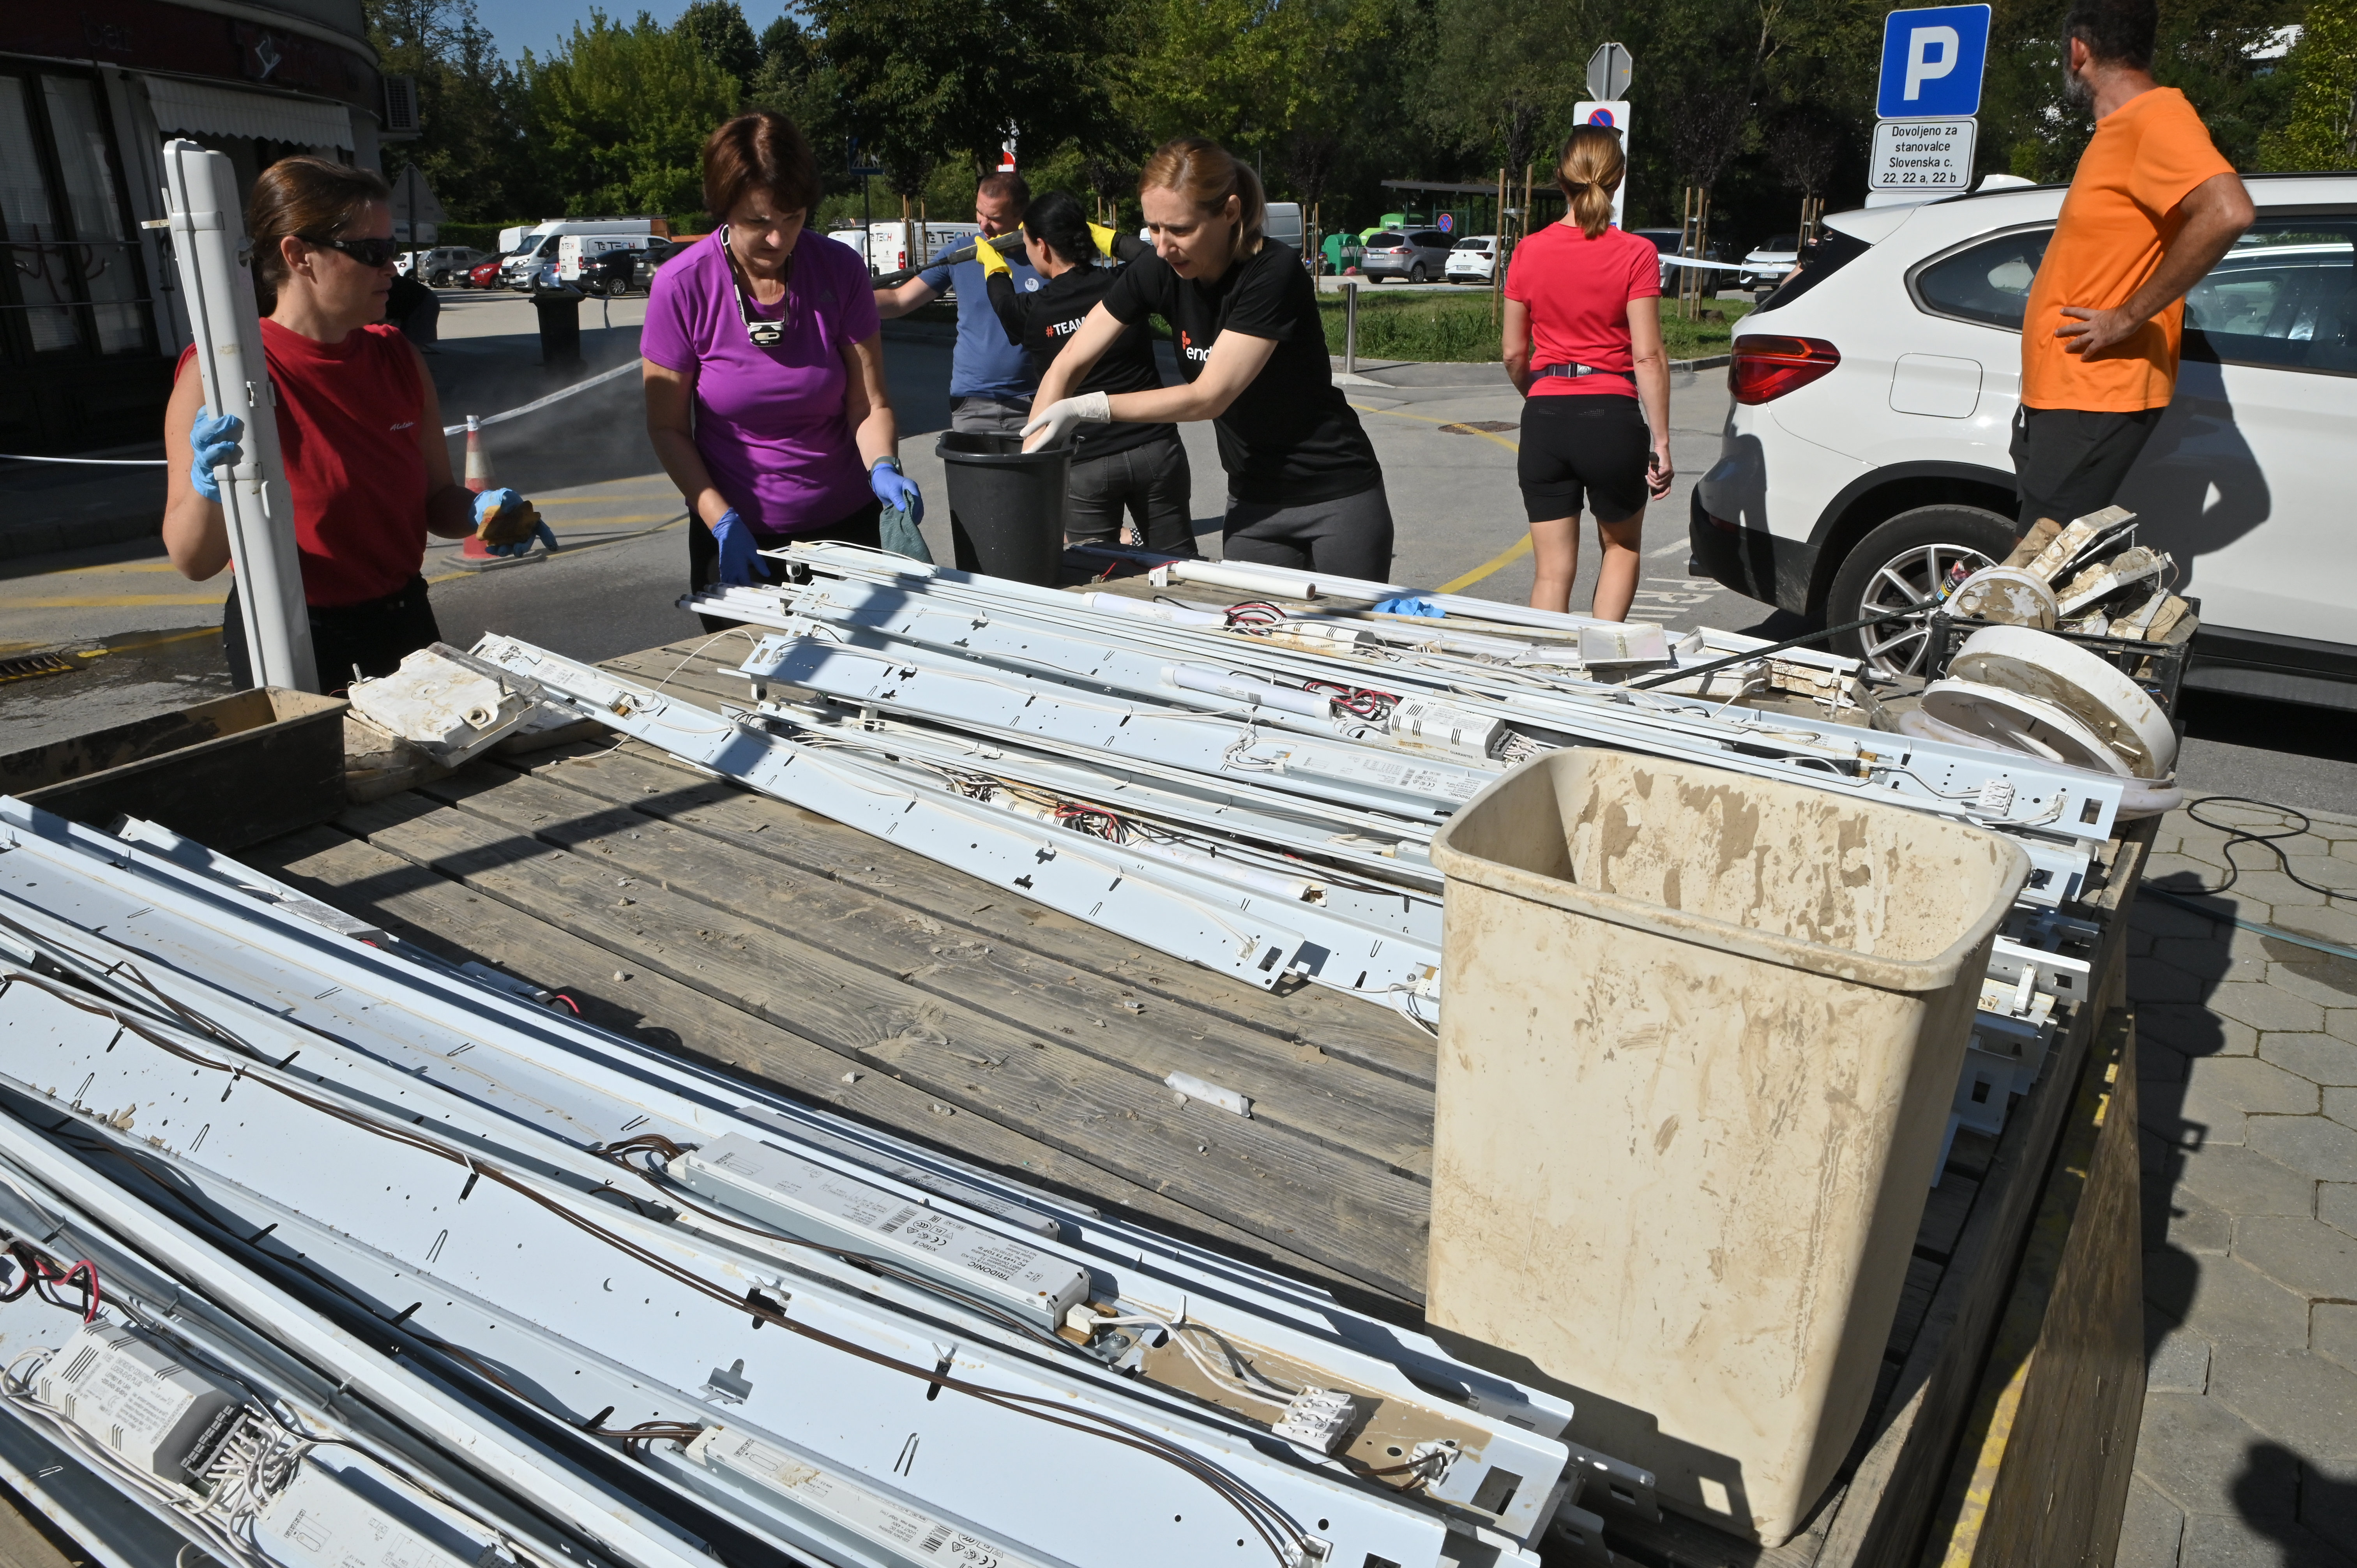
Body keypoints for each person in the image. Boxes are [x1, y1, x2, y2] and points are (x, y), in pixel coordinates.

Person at [161, 157, 519, 692]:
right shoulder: (225, 369)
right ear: (299, 255)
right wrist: (209, 489)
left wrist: (481, 513)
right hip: (292, 632)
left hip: (403, 620)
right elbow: (193, 559)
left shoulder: (396, 353)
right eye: (372, 252)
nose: (392, 269)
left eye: (392, 251)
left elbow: (436, 499)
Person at [1026, 139, 1391, 579]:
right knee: (1253, 640)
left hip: (1335, 496)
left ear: (1230, 212)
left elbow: (1209, 397)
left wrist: (1089, 407)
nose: (1163, 247)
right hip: (1253, 501)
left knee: (1346, 646)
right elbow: (1067, 363)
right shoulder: (1160, 268)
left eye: (1179, 230)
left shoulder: (1273, 271)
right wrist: (1029, 468)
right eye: (1153, 228)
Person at [643, 110, 918, 622]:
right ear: (721, 208)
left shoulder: (839, 271)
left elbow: (869, 402)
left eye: (793, 218)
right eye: (758, 222)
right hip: (737, 537)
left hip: (846, 533)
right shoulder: (682, 287)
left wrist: (882, 465)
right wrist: (718, 518)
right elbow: (667, 427)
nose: (779, 240)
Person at [2014, 0, 2253, 532]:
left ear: (2079, 50)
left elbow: (2228, 210)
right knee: (2055, 567)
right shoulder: (2120, 132)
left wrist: (2125, 317)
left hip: (2093, 394)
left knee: (2040, 573)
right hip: (2067, 392)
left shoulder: (2155, 119)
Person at [1499, 125, 1673, 621]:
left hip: (1546, 417)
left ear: (1560, 179)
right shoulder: (1637, 254)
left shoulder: (1529, 251)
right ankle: (1598, 674)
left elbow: (1514, 352)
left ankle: (1545, 678)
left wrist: (1539, 393)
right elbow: (1648, 356)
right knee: (1621, 548)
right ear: (1617, 182)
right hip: (1612, 418)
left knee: (1551, 573)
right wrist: (1660, 442)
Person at [978, 191, 1196, 554]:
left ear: (1042, 247)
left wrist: (994, 263)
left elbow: (1002, 304)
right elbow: (1151, 259)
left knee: (1097, 573)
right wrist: (1106, 236)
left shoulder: (1034, 310)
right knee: (1179, 565)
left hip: (1087, 462)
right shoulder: (1122, 285)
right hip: (1155, 448)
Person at [874, 172, 1043, 435]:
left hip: (1036, 402)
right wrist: (843, 299)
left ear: (1021, 214)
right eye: (979, 213)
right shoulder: (961, 254)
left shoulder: (1044, 256)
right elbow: (899, 300)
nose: (983, 225)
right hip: (972, 404)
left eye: (995, 219)